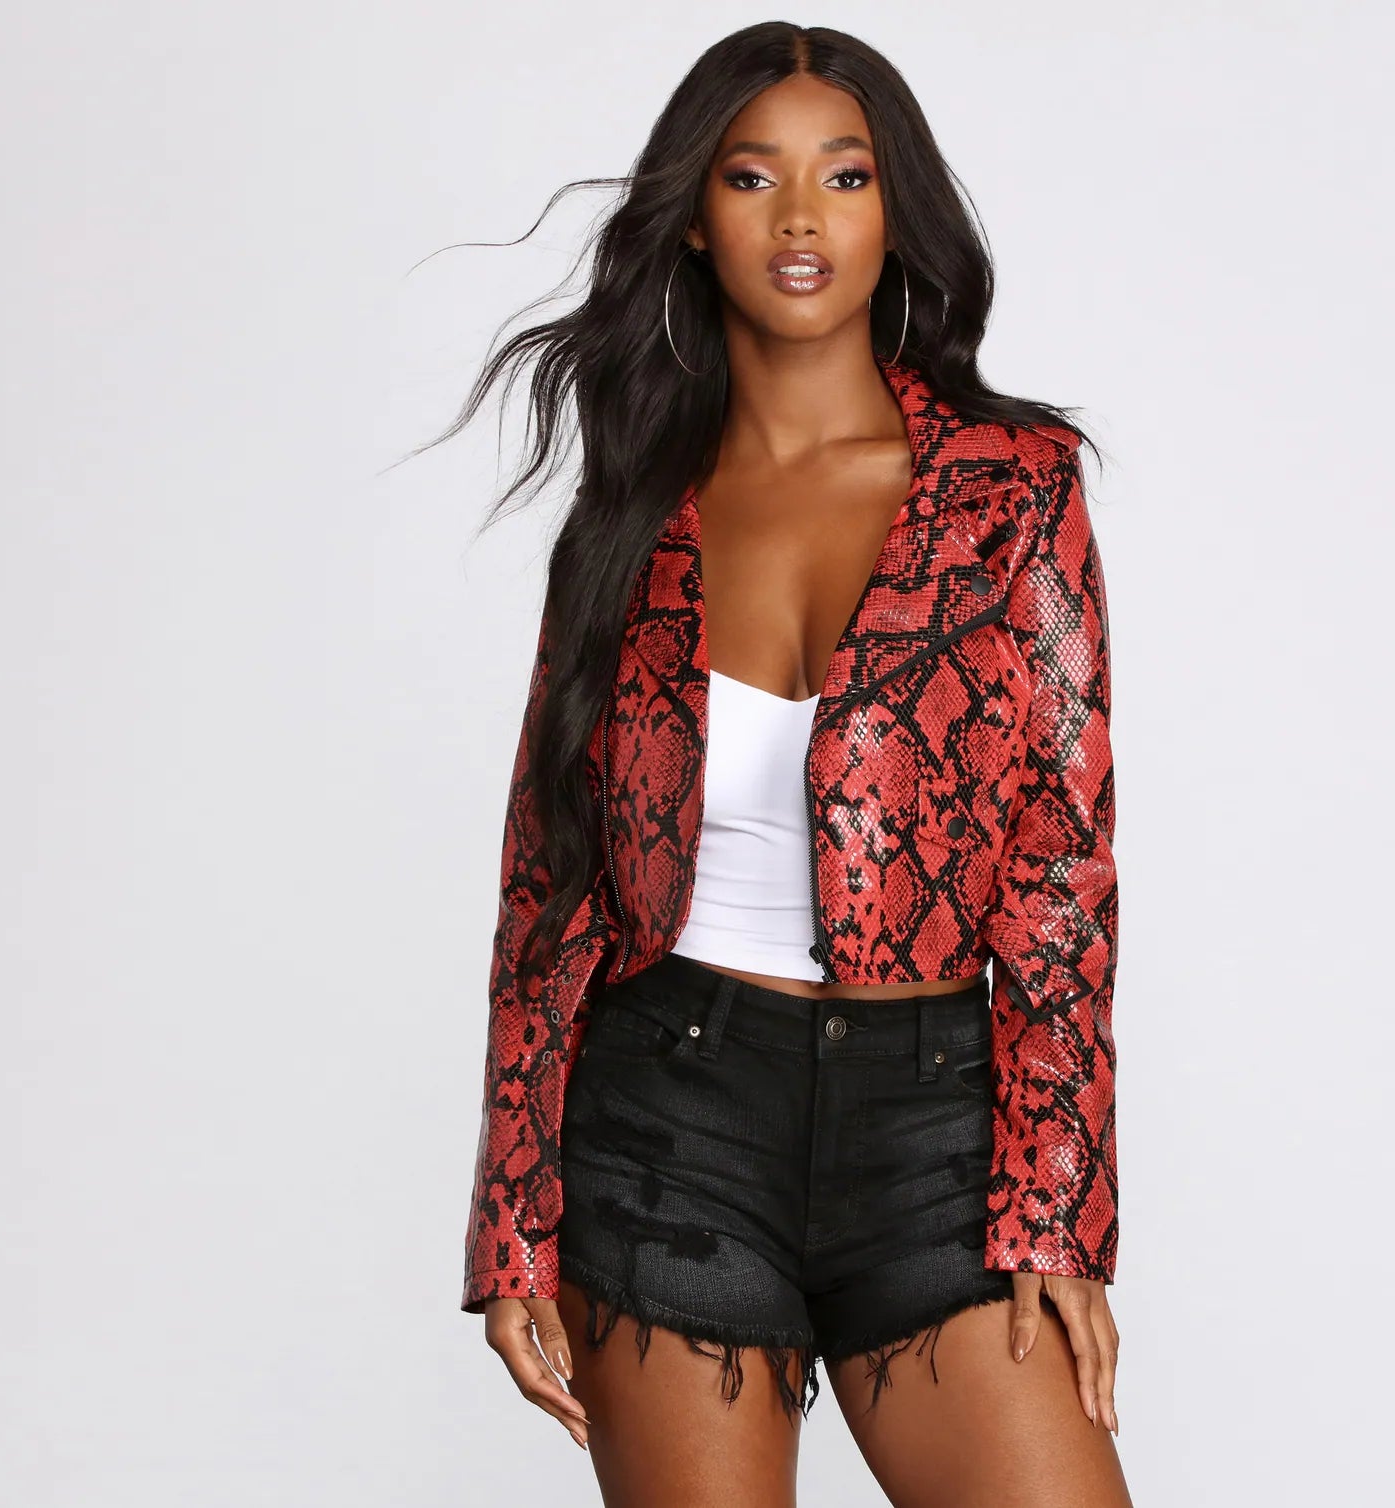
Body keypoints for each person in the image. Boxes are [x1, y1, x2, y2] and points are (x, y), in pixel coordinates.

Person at [433, 22, 1130, 1506]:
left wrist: (1058, 1205)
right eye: (753, 178)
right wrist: (512, 1220)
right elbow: (549, 872)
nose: (801, 217)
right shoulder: (633, 510)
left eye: (846, 176)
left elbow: (1063, 864)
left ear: (896, 210)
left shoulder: (1013, 490)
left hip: (940, 1125)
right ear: (696, 217)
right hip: (669, 1119)